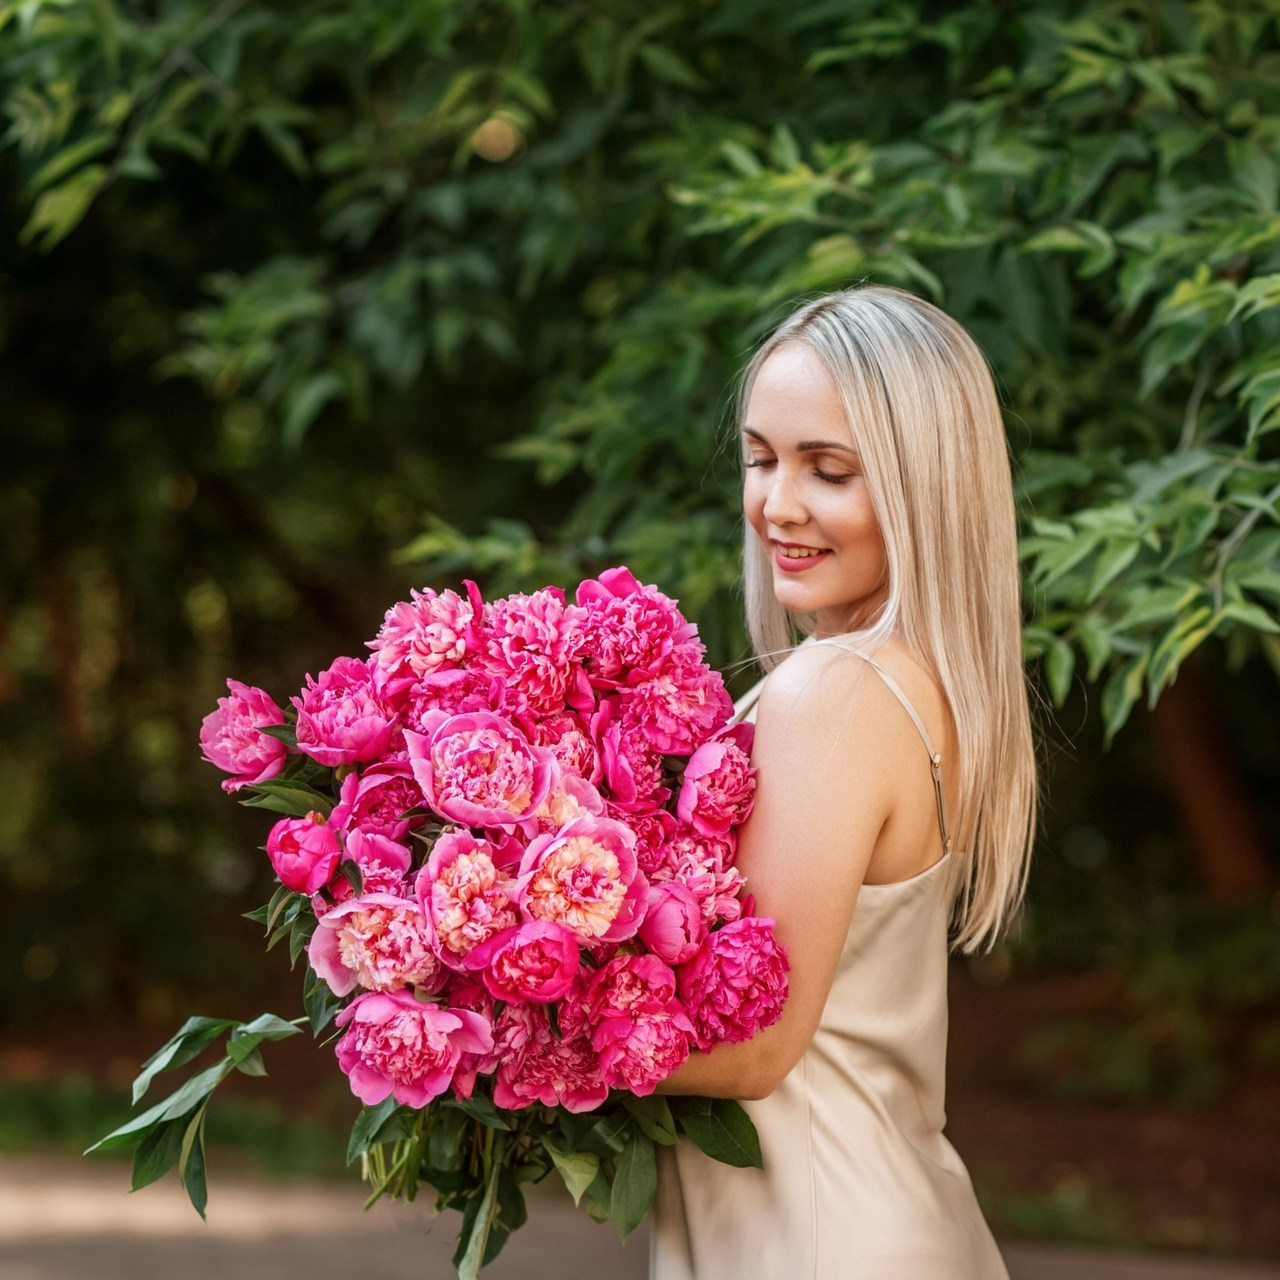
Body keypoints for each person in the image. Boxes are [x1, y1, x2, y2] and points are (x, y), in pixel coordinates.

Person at [651, 284, 1037, 1279]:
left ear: (922, 485)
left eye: (827, 470)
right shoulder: (916, 683)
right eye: (760, 456)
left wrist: (486, 1025)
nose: (778, 502)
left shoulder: (835, 690)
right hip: (875, 1218)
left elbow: (753, 1048)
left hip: (819, 1242)